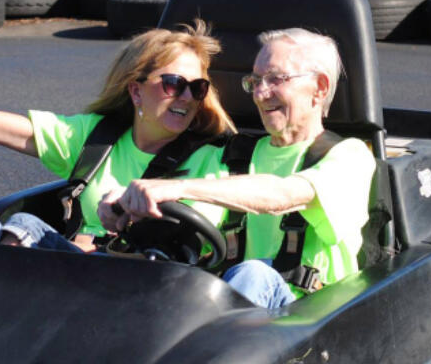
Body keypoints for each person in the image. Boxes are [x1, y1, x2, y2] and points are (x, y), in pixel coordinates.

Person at [0, 20, 234, 251]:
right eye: (173, 84)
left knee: (25, 229)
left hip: (141, 288)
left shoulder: (209, 158)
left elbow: (186, 236)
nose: (186, 97)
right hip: (73, 275)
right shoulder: (96, 138)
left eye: (197, 87)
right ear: (136, 91)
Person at [102, 27, 376, 308]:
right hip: (238, 318)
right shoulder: (233, 156)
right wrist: (127, 204)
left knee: (254, 274)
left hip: (310, 317)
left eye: (275, 79)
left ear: (319, 88)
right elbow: (189, 212)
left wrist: (176, 187)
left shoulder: (348, 157)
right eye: (255, 81)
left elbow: (283, 195)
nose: (259, 93)